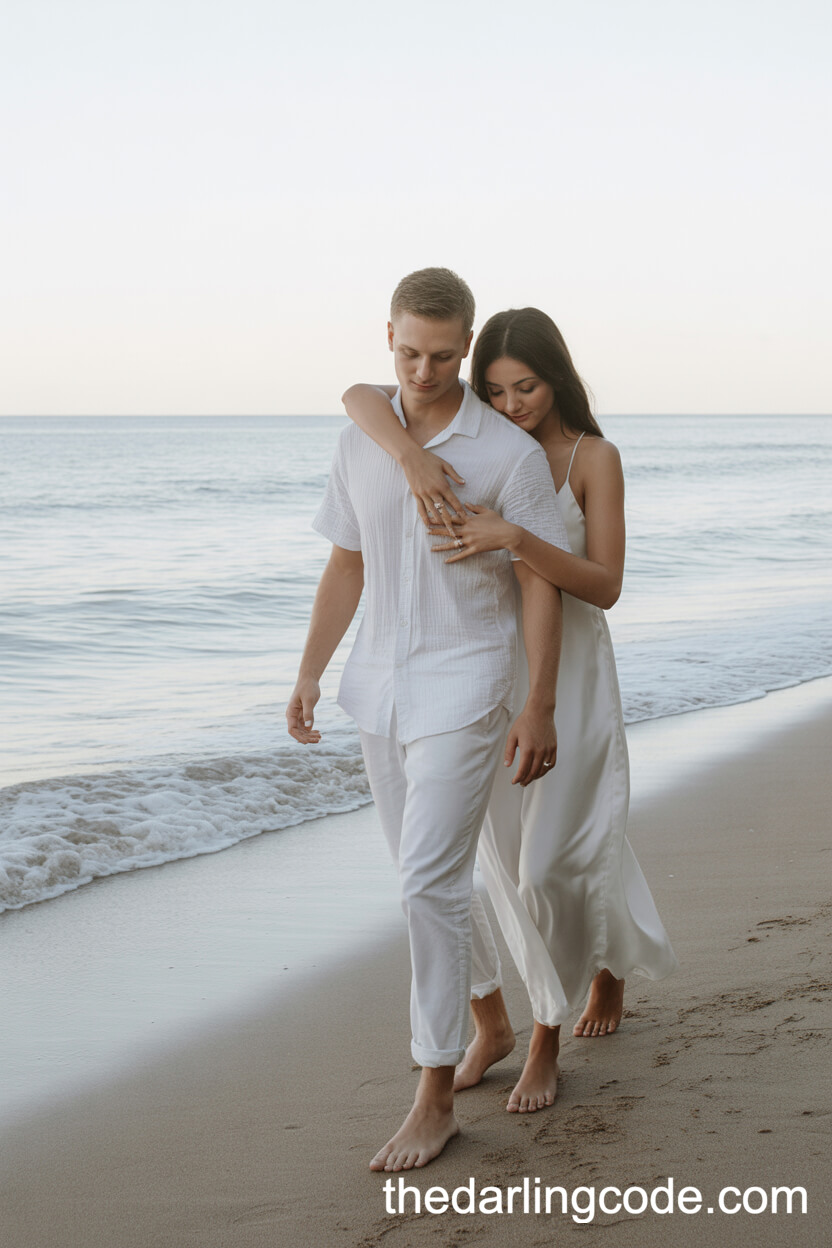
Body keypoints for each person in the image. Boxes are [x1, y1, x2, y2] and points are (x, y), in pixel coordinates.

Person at [341, 305, 677, 1116]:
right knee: (510, 860)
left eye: (525, 385)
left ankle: (548, 1035)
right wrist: (412, 458)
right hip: (485, 669)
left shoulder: (592, 458)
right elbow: (359, 395)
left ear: (556, 378)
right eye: (495, 389)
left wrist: (516, 538)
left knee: (552, 857)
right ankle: (588, 968)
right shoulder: (488, 449)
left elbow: (605, 586)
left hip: (575, 669)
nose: (513, 402)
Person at [286, 272, 570, 1171]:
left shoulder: (506, 457)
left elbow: (540, 583)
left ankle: (433, 1093)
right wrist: (308, 672)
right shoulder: (361, 439)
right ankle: (487, 1017)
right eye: (409, 351)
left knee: (426, 886)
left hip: (469, 681)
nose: (425, 369)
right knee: (427, 876)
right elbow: (346, 565)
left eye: (445, 355)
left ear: (467, 343)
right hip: (378, 684)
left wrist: (538, 704)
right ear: (389, 337)